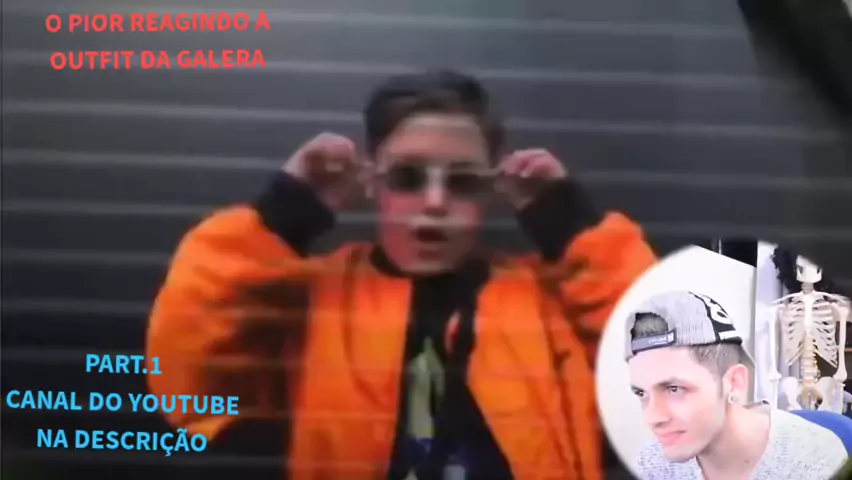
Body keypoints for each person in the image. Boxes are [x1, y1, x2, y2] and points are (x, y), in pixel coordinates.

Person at [146, 69, 656, 480]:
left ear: (489, 189)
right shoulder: (312, 300)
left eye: (462, 181)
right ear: (371, 181)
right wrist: (285, 214)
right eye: (407, 177)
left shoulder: (547, 305)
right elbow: (194, 381)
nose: (434, 202)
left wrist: (568, 224)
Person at [626, 290, 848, 480]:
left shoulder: (817, 458)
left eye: (674, 389)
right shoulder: (651, 462)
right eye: (641, 393)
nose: (653, 419)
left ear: (734, 382)